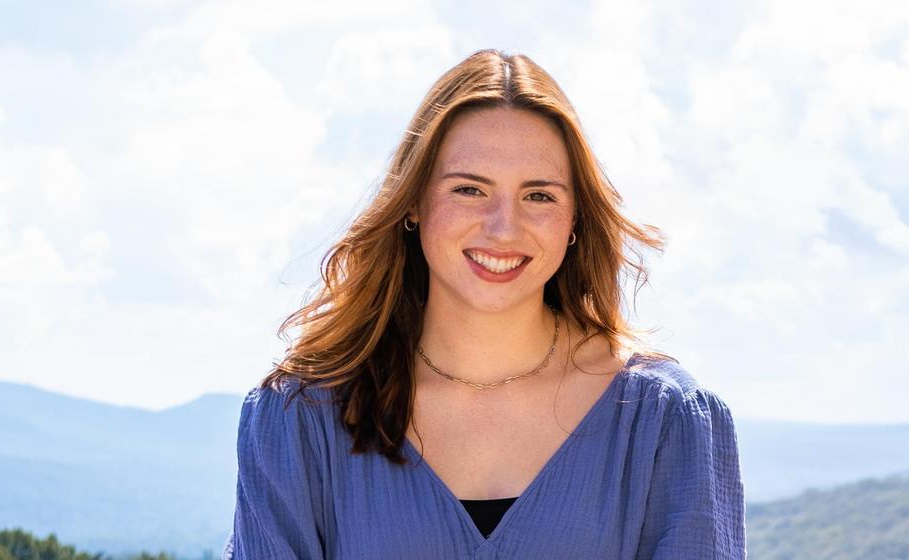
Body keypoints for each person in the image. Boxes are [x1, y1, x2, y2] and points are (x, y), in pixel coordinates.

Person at [223, 48, 746, 559]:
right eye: (470, 190)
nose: (503, 227)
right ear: (412, 202)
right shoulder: (299, 420)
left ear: (575, 221)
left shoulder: (665, 422)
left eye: (539, 195)